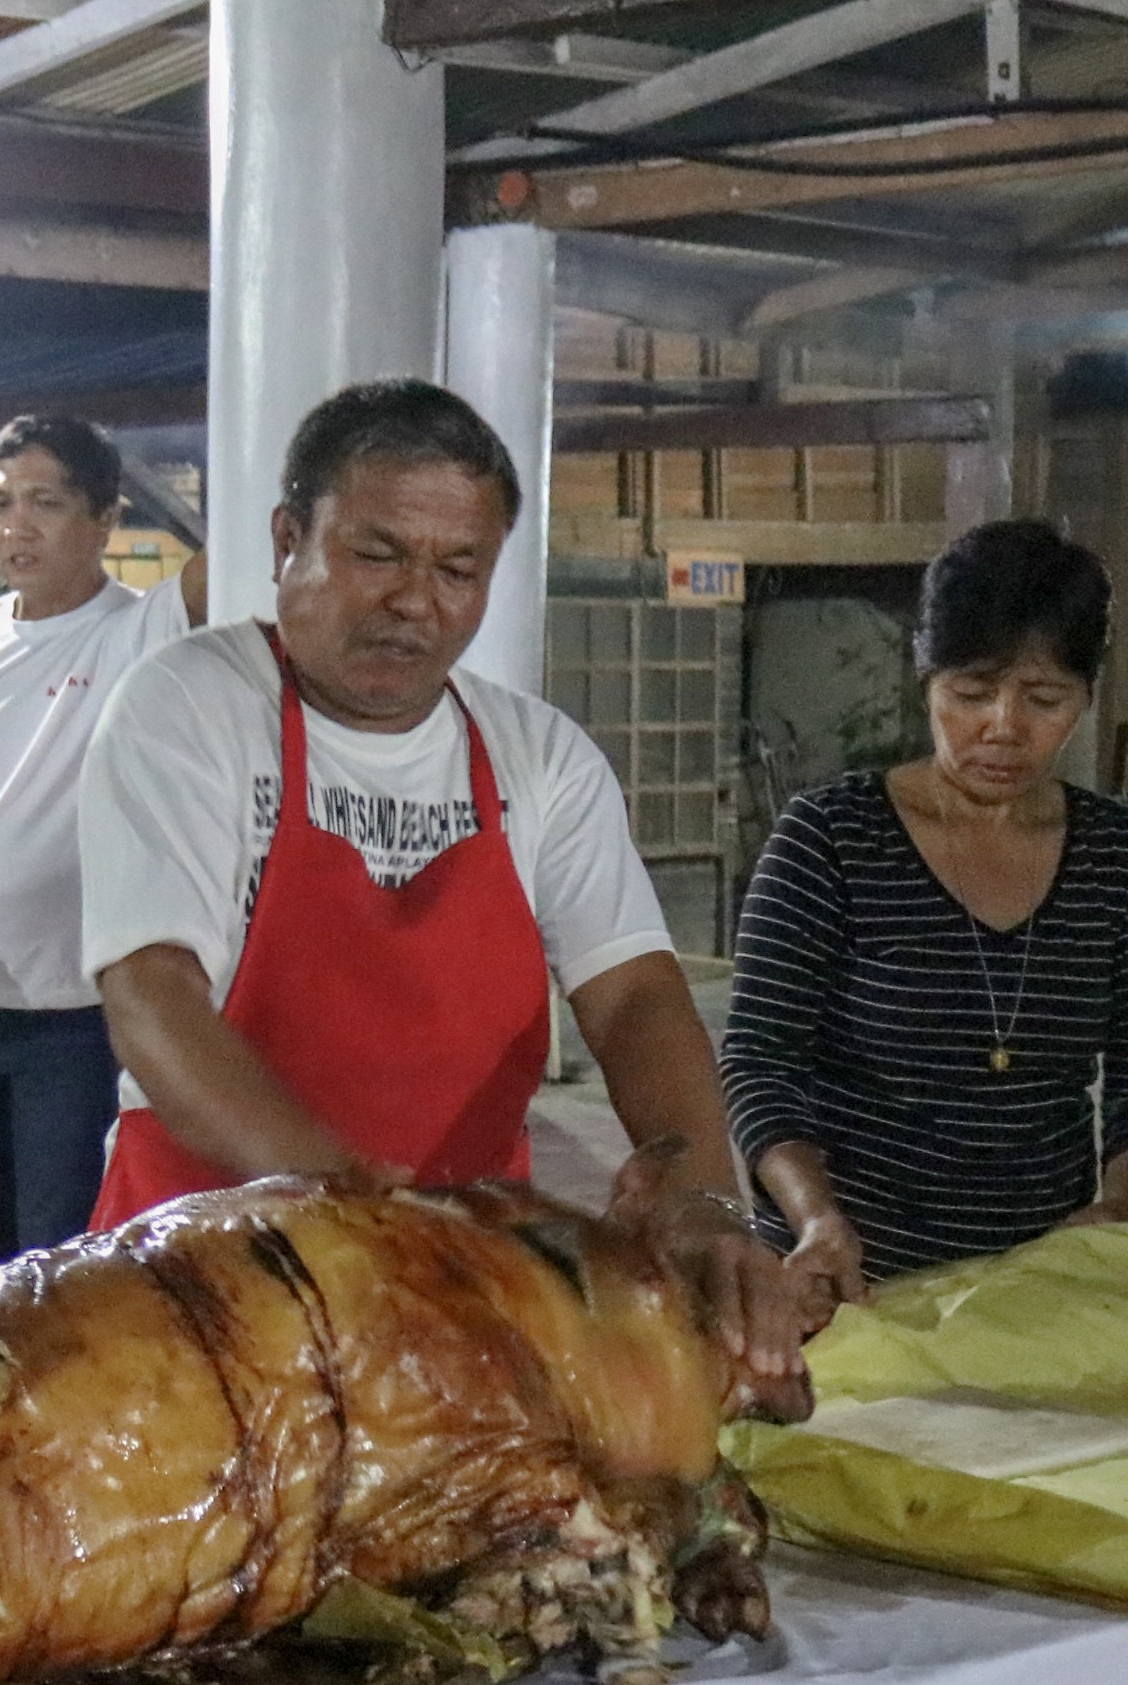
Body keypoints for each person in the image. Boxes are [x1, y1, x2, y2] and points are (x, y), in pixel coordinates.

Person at [79, 379, 803, 1397]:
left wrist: (707, 1199)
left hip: (453, 1302)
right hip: (201, 1296)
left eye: (458, 568)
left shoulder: (537, 758)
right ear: (290, 538)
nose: (415, 600)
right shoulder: (191, 705)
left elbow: (635, 993)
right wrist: (366, 1212)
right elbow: (153, 1001)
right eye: (377, 554)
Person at [724, 519, 1128, 1324]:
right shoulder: (831, 839)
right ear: (927, 678)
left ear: (1087, 694)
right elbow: (761, 1063)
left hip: (1034, 1296)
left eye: (1044, 699)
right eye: (972, 694)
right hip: (843, 1288)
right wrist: (816, 1219)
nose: (1003, 728)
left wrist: (1119, 1213)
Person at [0, 414, 192, 1268]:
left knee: (59, 1269)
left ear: (104, 518)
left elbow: (249, 557)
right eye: (0, 503)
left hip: (71, 1015)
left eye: (46, 502)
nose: (16, 525)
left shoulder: (142, 632)